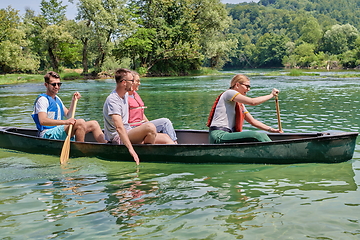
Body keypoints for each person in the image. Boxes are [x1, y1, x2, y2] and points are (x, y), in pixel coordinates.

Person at [31, 71, 107, 143]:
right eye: (54, 84)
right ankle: (81, 149)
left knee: (94, 124)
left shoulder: (57, 99)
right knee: (80, 122)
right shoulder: (42, 100)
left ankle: (106, 145)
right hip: (47, 134)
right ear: (46, 85)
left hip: (58, 131)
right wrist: (65, 122)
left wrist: (73, 101)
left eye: (59, 84)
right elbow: (43, 121)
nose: (57, 87)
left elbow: (68, 115)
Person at [103, 68, 158, 165]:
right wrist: (131, 150)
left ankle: (145, 150)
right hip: (117, 138)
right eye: (132, 81)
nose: (134, 83)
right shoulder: (113, 100)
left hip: (129, 131)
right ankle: (146, 155)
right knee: (150, 127)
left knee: (166, 139)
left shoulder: (125, 95)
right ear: (124, 83)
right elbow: (119, 128)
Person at [207, 74, 282, 144]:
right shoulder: (229, 93)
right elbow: (252, 102)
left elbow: (252, 121)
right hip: (219, 135)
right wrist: (271, 95)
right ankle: (277, 152)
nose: (249, 89)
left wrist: (272, 130)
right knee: (258, 135)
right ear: (237, 85)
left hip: (228, 135)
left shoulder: (239, 104)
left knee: (258, 136)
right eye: (247, 86)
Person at [128, 71, 177, 144]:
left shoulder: (135, 94)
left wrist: (149, 125)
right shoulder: (123, 98)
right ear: (131, 82)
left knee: (165, 122)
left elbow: (141, 113)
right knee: (163, 124)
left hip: (141, 126)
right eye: (137, 81)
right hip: (133, 129)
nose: (139, 83)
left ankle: (175, 143)